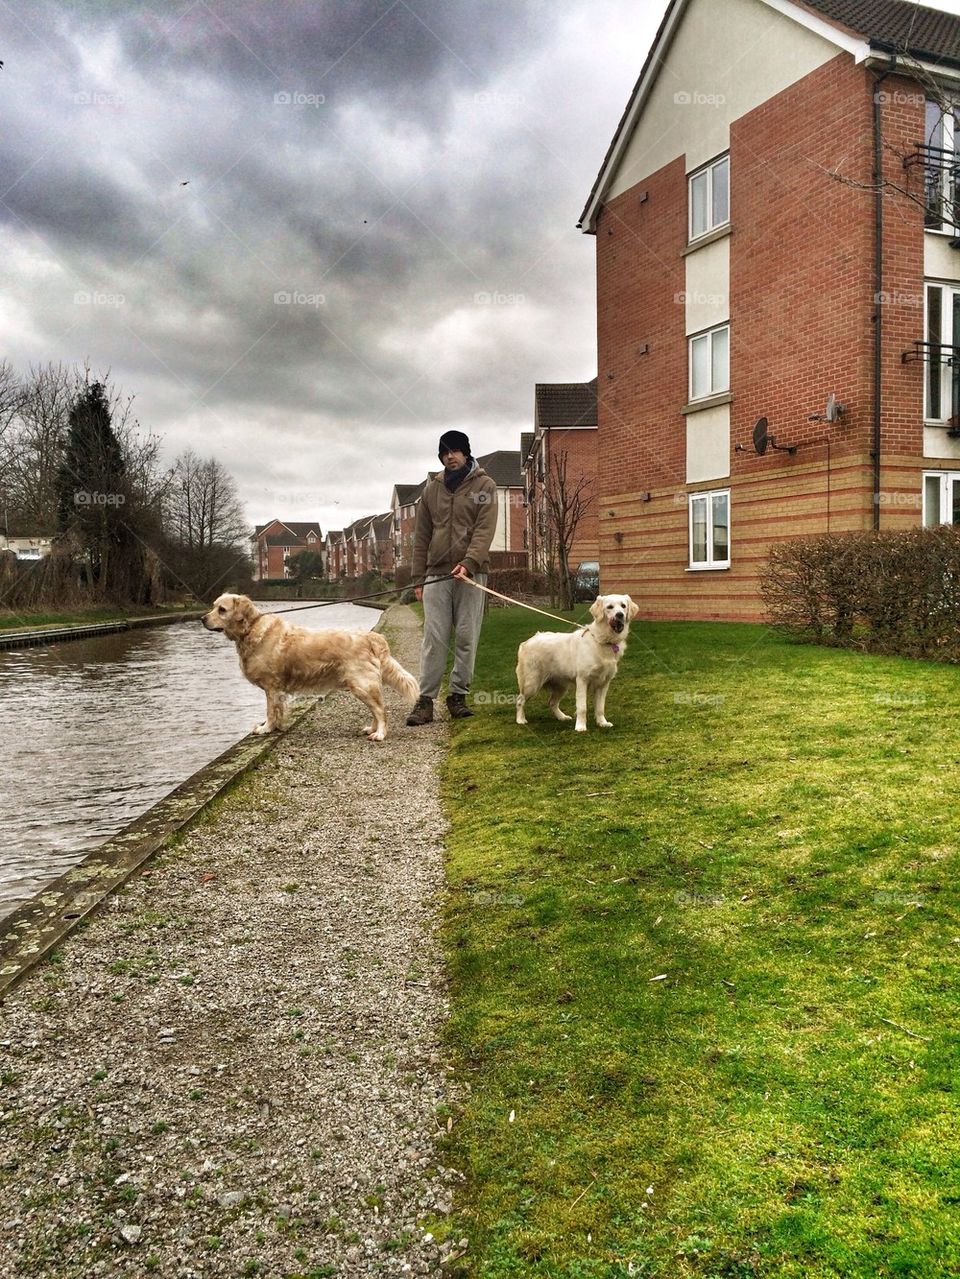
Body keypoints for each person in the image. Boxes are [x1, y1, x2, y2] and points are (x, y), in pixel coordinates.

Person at [406, 430, 498, 724]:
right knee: (434, 638)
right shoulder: (430, 490)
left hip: (470, 576)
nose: (450, 456)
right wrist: (418, 577)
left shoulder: (485, 486)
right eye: (445, 453)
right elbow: (421, 536)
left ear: (467, 453)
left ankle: (458, 695)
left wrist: (469, 563)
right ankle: (425, 700)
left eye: (456, 451)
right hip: (436, 575)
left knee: (466, 636)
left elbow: (485, 529)